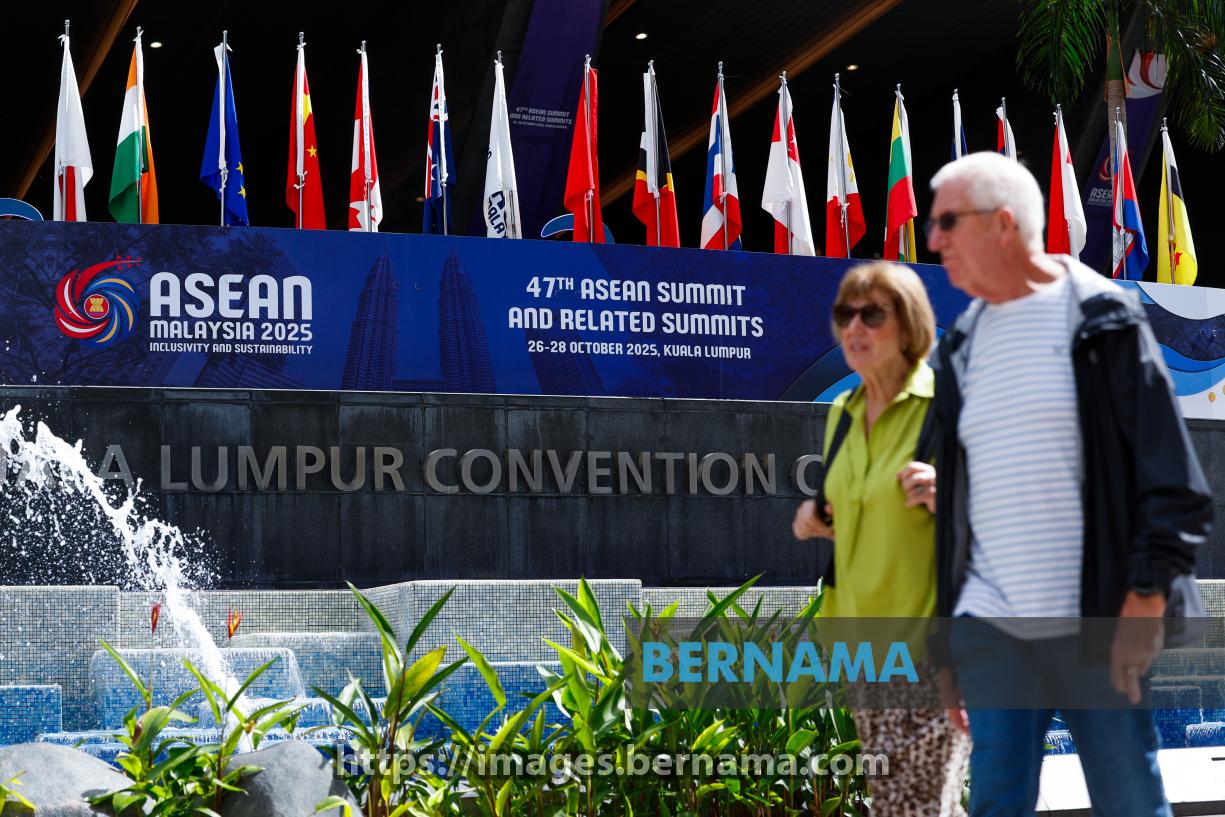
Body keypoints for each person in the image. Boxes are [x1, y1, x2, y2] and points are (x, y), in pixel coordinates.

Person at [924, 152, 1212, 817]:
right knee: (996, 804)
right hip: (990, 629)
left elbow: (1174, 481)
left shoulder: (1102, 318)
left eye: (947, 222)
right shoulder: (961, 345)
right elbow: (957, 514)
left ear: (1002, 224)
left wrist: (1143, 600)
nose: (934, 240)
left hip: (1098, 623)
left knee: (1129, 802)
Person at [793, 261, 970, 817]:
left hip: (931, 649)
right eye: (845, 314)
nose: (854, 327)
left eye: (872, 315)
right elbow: (853, 509)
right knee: (907, 804)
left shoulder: (949, 405)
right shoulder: (842, 413)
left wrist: (952, 494)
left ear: (910, 325)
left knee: (913, 807)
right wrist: (815, 516)